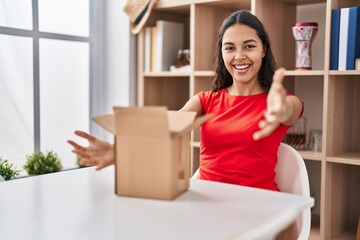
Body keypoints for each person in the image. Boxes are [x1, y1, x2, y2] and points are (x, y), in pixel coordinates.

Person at [68, 10, 302, 239]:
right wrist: (119, 152)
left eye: (249, 46)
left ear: (263, 50)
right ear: (222, 53)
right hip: (208, 205)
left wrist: (280, 109)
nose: (239, 56)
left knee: (286, 225)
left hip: (259, 206)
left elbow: (289, 111)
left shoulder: (280, 101)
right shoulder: (205, 100)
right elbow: (166, 133)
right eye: (230, 48)